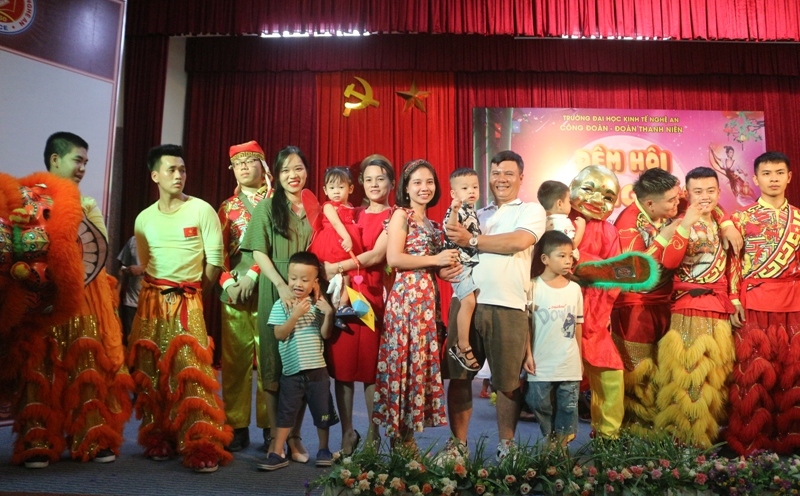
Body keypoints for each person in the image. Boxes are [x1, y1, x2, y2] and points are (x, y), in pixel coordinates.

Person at [10, 132, 132, 468]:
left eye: (86, 163)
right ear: (55, 159)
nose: (82, 168)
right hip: (39, 298)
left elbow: (100, 250)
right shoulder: (24, 200)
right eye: (78, 160)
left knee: (86, 362)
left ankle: (93, 436)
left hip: (82, 296)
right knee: (39, 365)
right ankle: (37, 439)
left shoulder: (86, 203)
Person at [129, 144, 232, 472]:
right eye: (171, 169)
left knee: (192, 372)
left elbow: (214, 261)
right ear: (155, 176)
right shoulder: (144, 218)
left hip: (188, 300)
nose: (179, 175)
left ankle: (201, 443)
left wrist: (195, 294)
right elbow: (146, 262)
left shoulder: (201, 210)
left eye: (182, 169)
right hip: (151, 302)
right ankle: (159, 435)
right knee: (152, 371)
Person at [444, 150, 546, 461]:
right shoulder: (476, 213)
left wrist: (472, 240)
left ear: (521, 178)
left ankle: (507, 447)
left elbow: (517, 241)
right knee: (459, 376)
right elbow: (451, 247)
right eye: (496, 173)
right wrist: (444, 268)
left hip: (508, 305)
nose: (501, 179)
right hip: (465, 303)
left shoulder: (530, 210)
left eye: (508, 173)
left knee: (507, 381)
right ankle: (458, 446)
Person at [372, 159, 458, 449]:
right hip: (406, 301)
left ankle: (406, 438)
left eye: (429, 182)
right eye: (417, 182)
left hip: (427, 303)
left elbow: (436, 267)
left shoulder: (434, 225)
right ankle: (401, 440)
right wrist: (436, 259)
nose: (424, 188)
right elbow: (394, 258)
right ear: (406, 188)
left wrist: (449, 267)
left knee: (417, 366)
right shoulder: (401, 215)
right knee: (403, 365)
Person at [653, 166, 736, 449]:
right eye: (698, 191)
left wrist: (735, 300)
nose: (705, 196)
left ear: (719, 192)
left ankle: (706, 437)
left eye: (710, 191)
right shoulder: (679, 223)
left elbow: (733, 267)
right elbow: (669, 262)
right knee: (688, 375)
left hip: (718, 307)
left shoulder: (722, 221)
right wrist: (686, 224)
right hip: (688, 308)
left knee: (715, 376)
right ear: (686, 194)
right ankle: (684, 442)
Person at [240, 146, 313, 461]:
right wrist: (281, 285)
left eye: (298, 168)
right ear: (276, 175)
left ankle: (294, 435)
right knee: (272, 365)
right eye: (285, 170)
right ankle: (274, 436)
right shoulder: (267, 207)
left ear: (306, 171)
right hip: (275, 290)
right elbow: (258, 251)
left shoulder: (316, 208)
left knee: (303, 365)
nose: (292, 175)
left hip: (307, 291)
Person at [725, 151, 800, 456]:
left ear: (789, 177)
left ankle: (789, 441)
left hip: (793, 302)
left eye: (779, 173)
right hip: (754, 301)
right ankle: (751, 441)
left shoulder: (799, 219)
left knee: (792, 374)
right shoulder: (739, 219)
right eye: (766, 173)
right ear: (755, 178)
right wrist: (733, 298)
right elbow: (733, 263)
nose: (773, 179)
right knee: (754, 372)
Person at [324, 154, 394, 454]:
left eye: (380, 178)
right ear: (360, 184)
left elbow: (377, 255)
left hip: (372, 300)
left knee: (370, 370)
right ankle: (347, 434)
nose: (374, 184)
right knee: (342, 369)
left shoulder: (395, 216)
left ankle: (374, 435)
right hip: (343, 296)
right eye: (368, 179)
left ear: (391, 182)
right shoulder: (351, 213)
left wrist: (336, 267)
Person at [612, 167, 685, 435]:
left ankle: (661, 431)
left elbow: (704, 202)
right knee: (638, 374)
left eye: (678, 197)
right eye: (672, 201)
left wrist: (724, 224)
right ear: (650, 203)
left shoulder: (670, 205)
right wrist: (668, 234)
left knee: (664, 371)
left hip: (666, 303)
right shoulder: (627, 223)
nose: (678, 203)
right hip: (635, 306)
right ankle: (635, 436)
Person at [217, 140, 273, 452]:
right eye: (237, 164)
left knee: (269, 361)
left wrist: (254, 273)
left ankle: (270, 426)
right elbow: (216, 250)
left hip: (268, 289)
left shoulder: (277, 201)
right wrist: (227, 282)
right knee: (235, 362)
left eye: (249, 161)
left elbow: (278, 246)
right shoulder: (227, 207)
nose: (242, 168)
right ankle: (236, 425)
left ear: (262, 166)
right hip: (235, 294)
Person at [258, 251, 336, 470]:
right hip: (292, 372)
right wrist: (294, 316)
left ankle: (323, 449)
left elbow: (325, 334)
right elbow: (279, 334)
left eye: (304, 279)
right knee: (286, 413)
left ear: (315, 283)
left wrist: (328, 314)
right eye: (293, 278)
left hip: (317, 370)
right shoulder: (281, 305)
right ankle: (277, 452)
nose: (298, 284)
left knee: (322, 412)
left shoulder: (317, 306)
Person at [567, 166, 625, 439]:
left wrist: (602, 313)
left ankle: (608, 436)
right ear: (572, 186)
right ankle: (559, 442)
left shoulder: (610, 232)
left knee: (611, 373)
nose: (597, 200)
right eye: (588, 189)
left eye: (608, 197)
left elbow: (615, 275)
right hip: (561, 312)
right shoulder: (559, 221)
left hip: (595, 315)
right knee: (561, 380)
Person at [524, 231, 583, 447]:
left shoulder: (574, 289)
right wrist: (527, 355)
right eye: (562, 255)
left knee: (568, 406)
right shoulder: (532, 286)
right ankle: (549, 437)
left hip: (568, 361)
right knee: (538, 402)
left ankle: (561, 446)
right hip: (541, 362)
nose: (568, 261)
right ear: (545, 259)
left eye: (570, 256)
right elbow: (526, 325)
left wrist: (580, 358)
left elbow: (578, 325)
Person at [308, 167, 364, 314]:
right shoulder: (328, 206)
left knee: (346, 274)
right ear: (325, 190)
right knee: (334, 275)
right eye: (332, 188)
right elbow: (336, 223)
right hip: (332, 242)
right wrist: (347, 237)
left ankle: (343, 306)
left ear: (350, 189)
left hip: (345, 241)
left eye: (341, 187)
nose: (336, 191)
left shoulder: (350, 206)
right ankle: (331, 308)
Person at [444, 168, 482, 372]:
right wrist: (454, 210)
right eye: (465, 188)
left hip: (469, 262)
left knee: (472, 300)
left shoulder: (473, 211)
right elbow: (451, 230)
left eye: (475, 187)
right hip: (458, 263)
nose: (471, 191)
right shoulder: (456, 211)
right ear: (454, 193)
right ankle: (462, 346)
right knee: (468, 302)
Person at [537, 180, 585, 260]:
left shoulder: (544, 221)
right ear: (559, 204)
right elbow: (571, 245)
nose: (571, 205)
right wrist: (581, 228)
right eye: (569, 201)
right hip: (566, 261)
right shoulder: (562, 222)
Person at [117, 235, 144, 344]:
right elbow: (122, 270)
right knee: (130, 341)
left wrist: (142, 270)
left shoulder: (164, 241)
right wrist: (115, 298)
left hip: (153, 304)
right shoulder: (133, 240)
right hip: (131, 303)